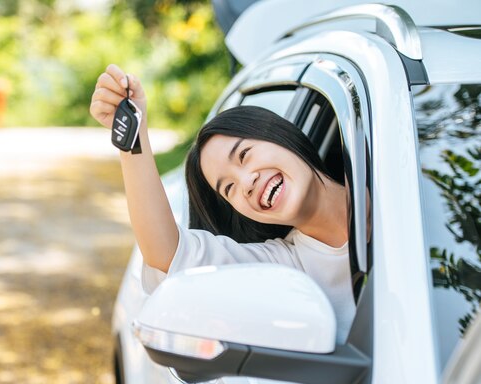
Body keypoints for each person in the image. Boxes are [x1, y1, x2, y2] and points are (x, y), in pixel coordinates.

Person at [90, 64, 355, 342]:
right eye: (229, 188)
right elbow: (165, 252)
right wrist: (133, 135)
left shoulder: (394, 170)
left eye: (244, 155)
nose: (247, 183)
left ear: (281, 136)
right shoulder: (286, 266)